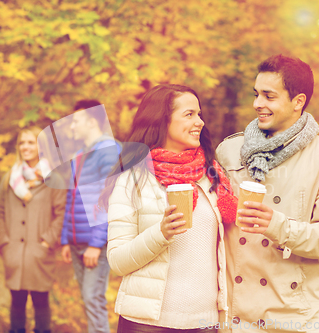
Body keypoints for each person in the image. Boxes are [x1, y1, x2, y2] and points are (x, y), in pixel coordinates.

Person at [216, 54, 319, 332]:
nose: (257, 104)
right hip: (232, 317)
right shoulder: (229, 150)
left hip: (292, 318)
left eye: (268, 96)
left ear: (298, 101)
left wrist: (279, 227)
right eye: (256, 94)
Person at [100, 84, 238, 333]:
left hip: (205, 323)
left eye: (199, 114)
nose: (200, 122)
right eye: (189, 114)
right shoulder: (132, 179)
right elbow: (118, 261)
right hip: (148, 324)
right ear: (162, 120)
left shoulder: (212, 175)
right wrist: (160, 233)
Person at [0, 126, 66, 333]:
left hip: (39, 253)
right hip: (14, 252)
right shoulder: (9, 178)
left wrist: (46, 242)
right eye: (22, 143)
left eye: (30, 142)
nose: (25, 147)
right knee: (16, 304)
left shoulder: (54, 179)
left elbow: (60, 214)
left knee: (41, 303)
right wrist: (4, 242)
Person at [60, 100, 120, 333]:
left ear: (92, 121)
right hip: (76, 241)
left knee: (92, 299)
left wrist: (96, 244)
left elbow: (109, 197)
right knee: (87, 300)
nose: (72, 126)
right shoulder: (79, 155)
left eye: (76, 121)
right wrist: (66, 238)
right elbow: (72, 197)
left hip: (95, 243)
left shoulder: (107, 151)